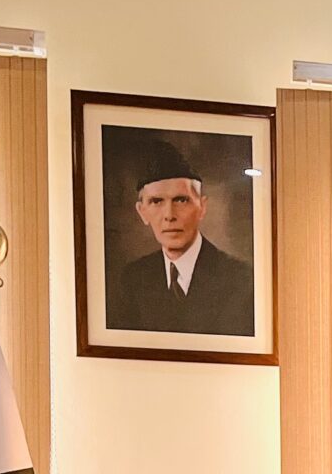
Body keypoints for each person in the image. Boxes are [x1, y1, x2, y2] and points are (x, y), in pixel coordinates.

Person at [105, 135, 254, 337]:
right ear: (142, 212)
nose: (169, 215)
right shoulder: (133, 280)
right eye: (156, 201)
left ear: (202, 207)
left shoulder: (240, 279)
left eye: (181, 200)